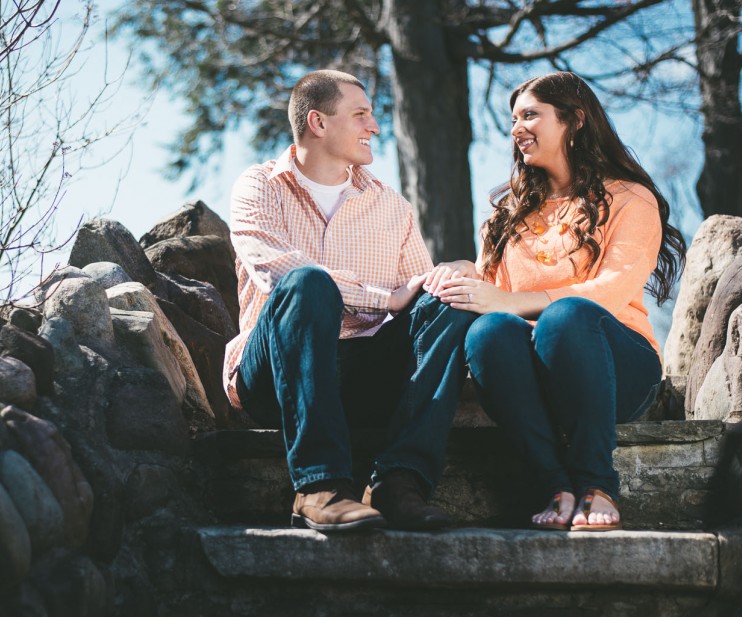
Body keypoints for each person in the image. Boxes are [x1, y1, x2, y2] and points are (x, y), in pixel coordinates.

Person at [429, 71, 686, 531]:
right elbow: (492, 290)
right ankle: (554, 485)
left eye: (530, 115)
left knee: (566, 315)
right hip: (532, 380)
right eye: (513, 119)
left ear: (575, 120)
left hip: (614, 368)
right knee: (488, 330)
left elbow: (612, 289)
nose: (516, 129)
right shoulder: (507, 212)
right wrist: (460, 274)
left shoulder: (630, 198)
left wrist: (515, 301)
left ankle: (597, 483)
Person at [223, 69, 475, 533]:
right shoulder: (258, 187)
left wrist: (453, 277)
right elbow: (276, 273)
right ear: (318, 123)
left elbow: (417, 295)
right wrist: (385, 297)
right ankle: (318, 487)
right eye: (361, 115)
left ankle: (399, 483)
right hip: (277, 377)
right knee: (306, 284)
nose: (374, 127)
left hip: (365, 377)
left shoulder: (391, 206)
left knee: (448, 303)